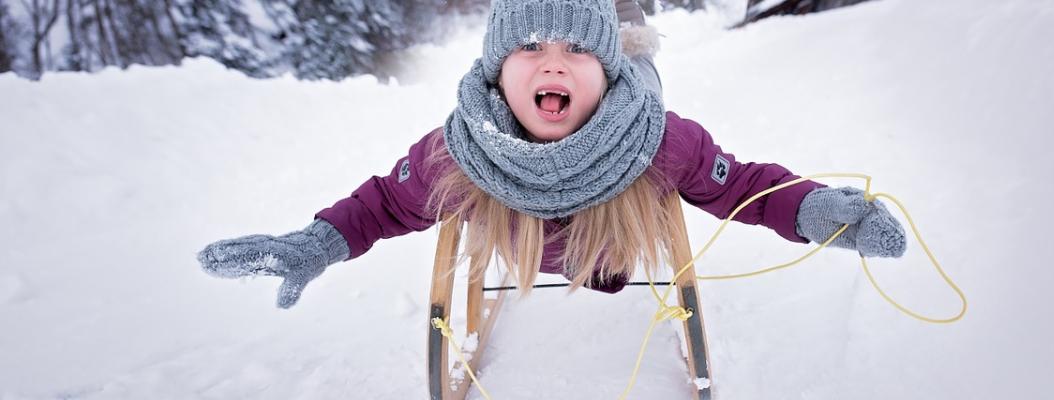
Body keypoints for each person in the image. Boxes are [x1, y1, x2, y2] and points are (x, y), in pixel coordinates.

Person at [197, 0, 906, 309]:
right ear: (498, 71)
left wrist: (819, 212)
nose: (552, 65)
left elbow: (744, 186)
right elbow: (383, 203)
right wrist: (316, 243)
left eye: (576, 52)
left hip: (613, 229)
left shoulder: (658, 141)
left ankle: (623, 23)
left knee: (607, 265)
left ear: (607, 71)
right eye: (529, 47)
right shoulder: (459, 149)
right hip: (531, 230)